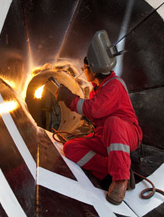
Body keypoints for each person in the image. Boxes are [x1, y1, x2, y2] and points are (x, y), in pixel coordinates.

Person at [55, 57, 142, 205]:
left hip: (126, 134)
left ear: (93, 70)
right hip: (105, 138)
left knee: (113, 122)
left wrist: (70, 99)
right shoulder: (96, 91)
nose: (84, 71)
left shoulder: (115, 84)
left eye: (85, 68)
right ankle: (110, 169)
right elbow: (93, 108)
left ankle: (121, 179)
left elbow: (95, 109)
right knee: (71, 148)